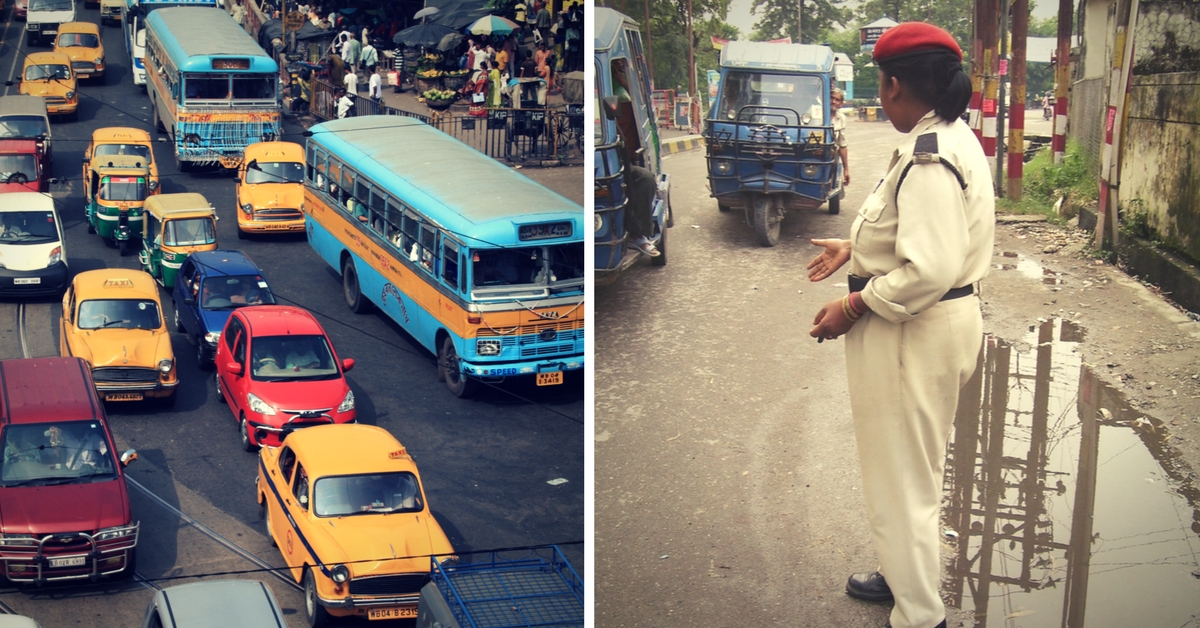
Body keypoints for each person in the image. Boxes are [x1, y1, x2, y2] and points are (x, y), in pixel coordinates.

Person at [806, 23, 994, 628]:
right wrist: (854, 250)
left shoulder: (929, 156)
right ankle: (900, 569)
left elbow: (930, 268)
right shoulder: (948, 135)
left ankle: (920, 615)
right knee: (912, 468)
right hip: (938, 325)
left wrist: (851, 307)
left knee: (902, 478)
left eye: (881, 82)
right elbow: (916, 237)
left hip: (915, 332)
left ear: (891, 85)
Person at [611, 59, 659, 257]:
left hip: (619, 156)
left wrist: (621, 77)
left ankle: (637, 235)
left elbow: (639, 95)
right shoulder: (609, 91)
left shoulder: (623, 84)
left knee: (643, 179)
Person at [830, 87, 850, 187]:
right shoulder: (815, 112)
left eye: (837, 100)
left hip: (831, 157)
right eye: (831, 98)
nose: (833, 101)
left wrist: (846, 169)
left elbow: (842, 144)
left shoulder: (841, 118)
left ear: (841, 104)